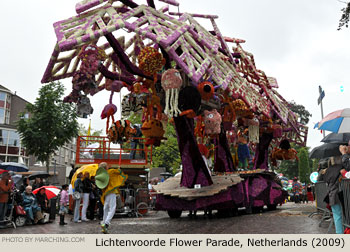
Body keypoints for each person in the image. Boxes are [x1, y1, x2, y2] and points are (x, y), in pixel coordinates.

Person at [324, 156, 344, 234]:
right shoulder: (341, 169)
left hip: (332, 195)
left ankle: (339, 234)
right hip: (340, 194)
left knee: (337, 216)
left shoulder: (328, 170)